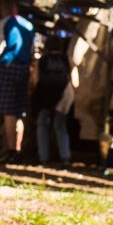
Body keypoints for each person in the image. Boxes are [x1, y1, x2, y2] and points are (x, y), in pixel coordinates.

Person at [0, 0, 34, 163]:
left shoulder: (3, 24)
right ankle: (17, 149)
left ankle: (10, 150)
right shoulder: (28, 26)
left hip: (8, 66)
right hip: (24, 69)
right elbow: (32, 51)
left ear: (4, 10)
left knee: (8, 110)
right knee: (19, 111)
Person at [34, 38, 72, 166]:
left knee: (42, 124)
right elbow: (73, 80)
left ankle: (43, 157)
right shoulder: (66, 59)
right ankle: (65, 156)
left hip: (45, 95)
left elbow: (35, 79)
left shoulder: (43, 60)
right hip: (62, 95)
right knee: (60, 125)